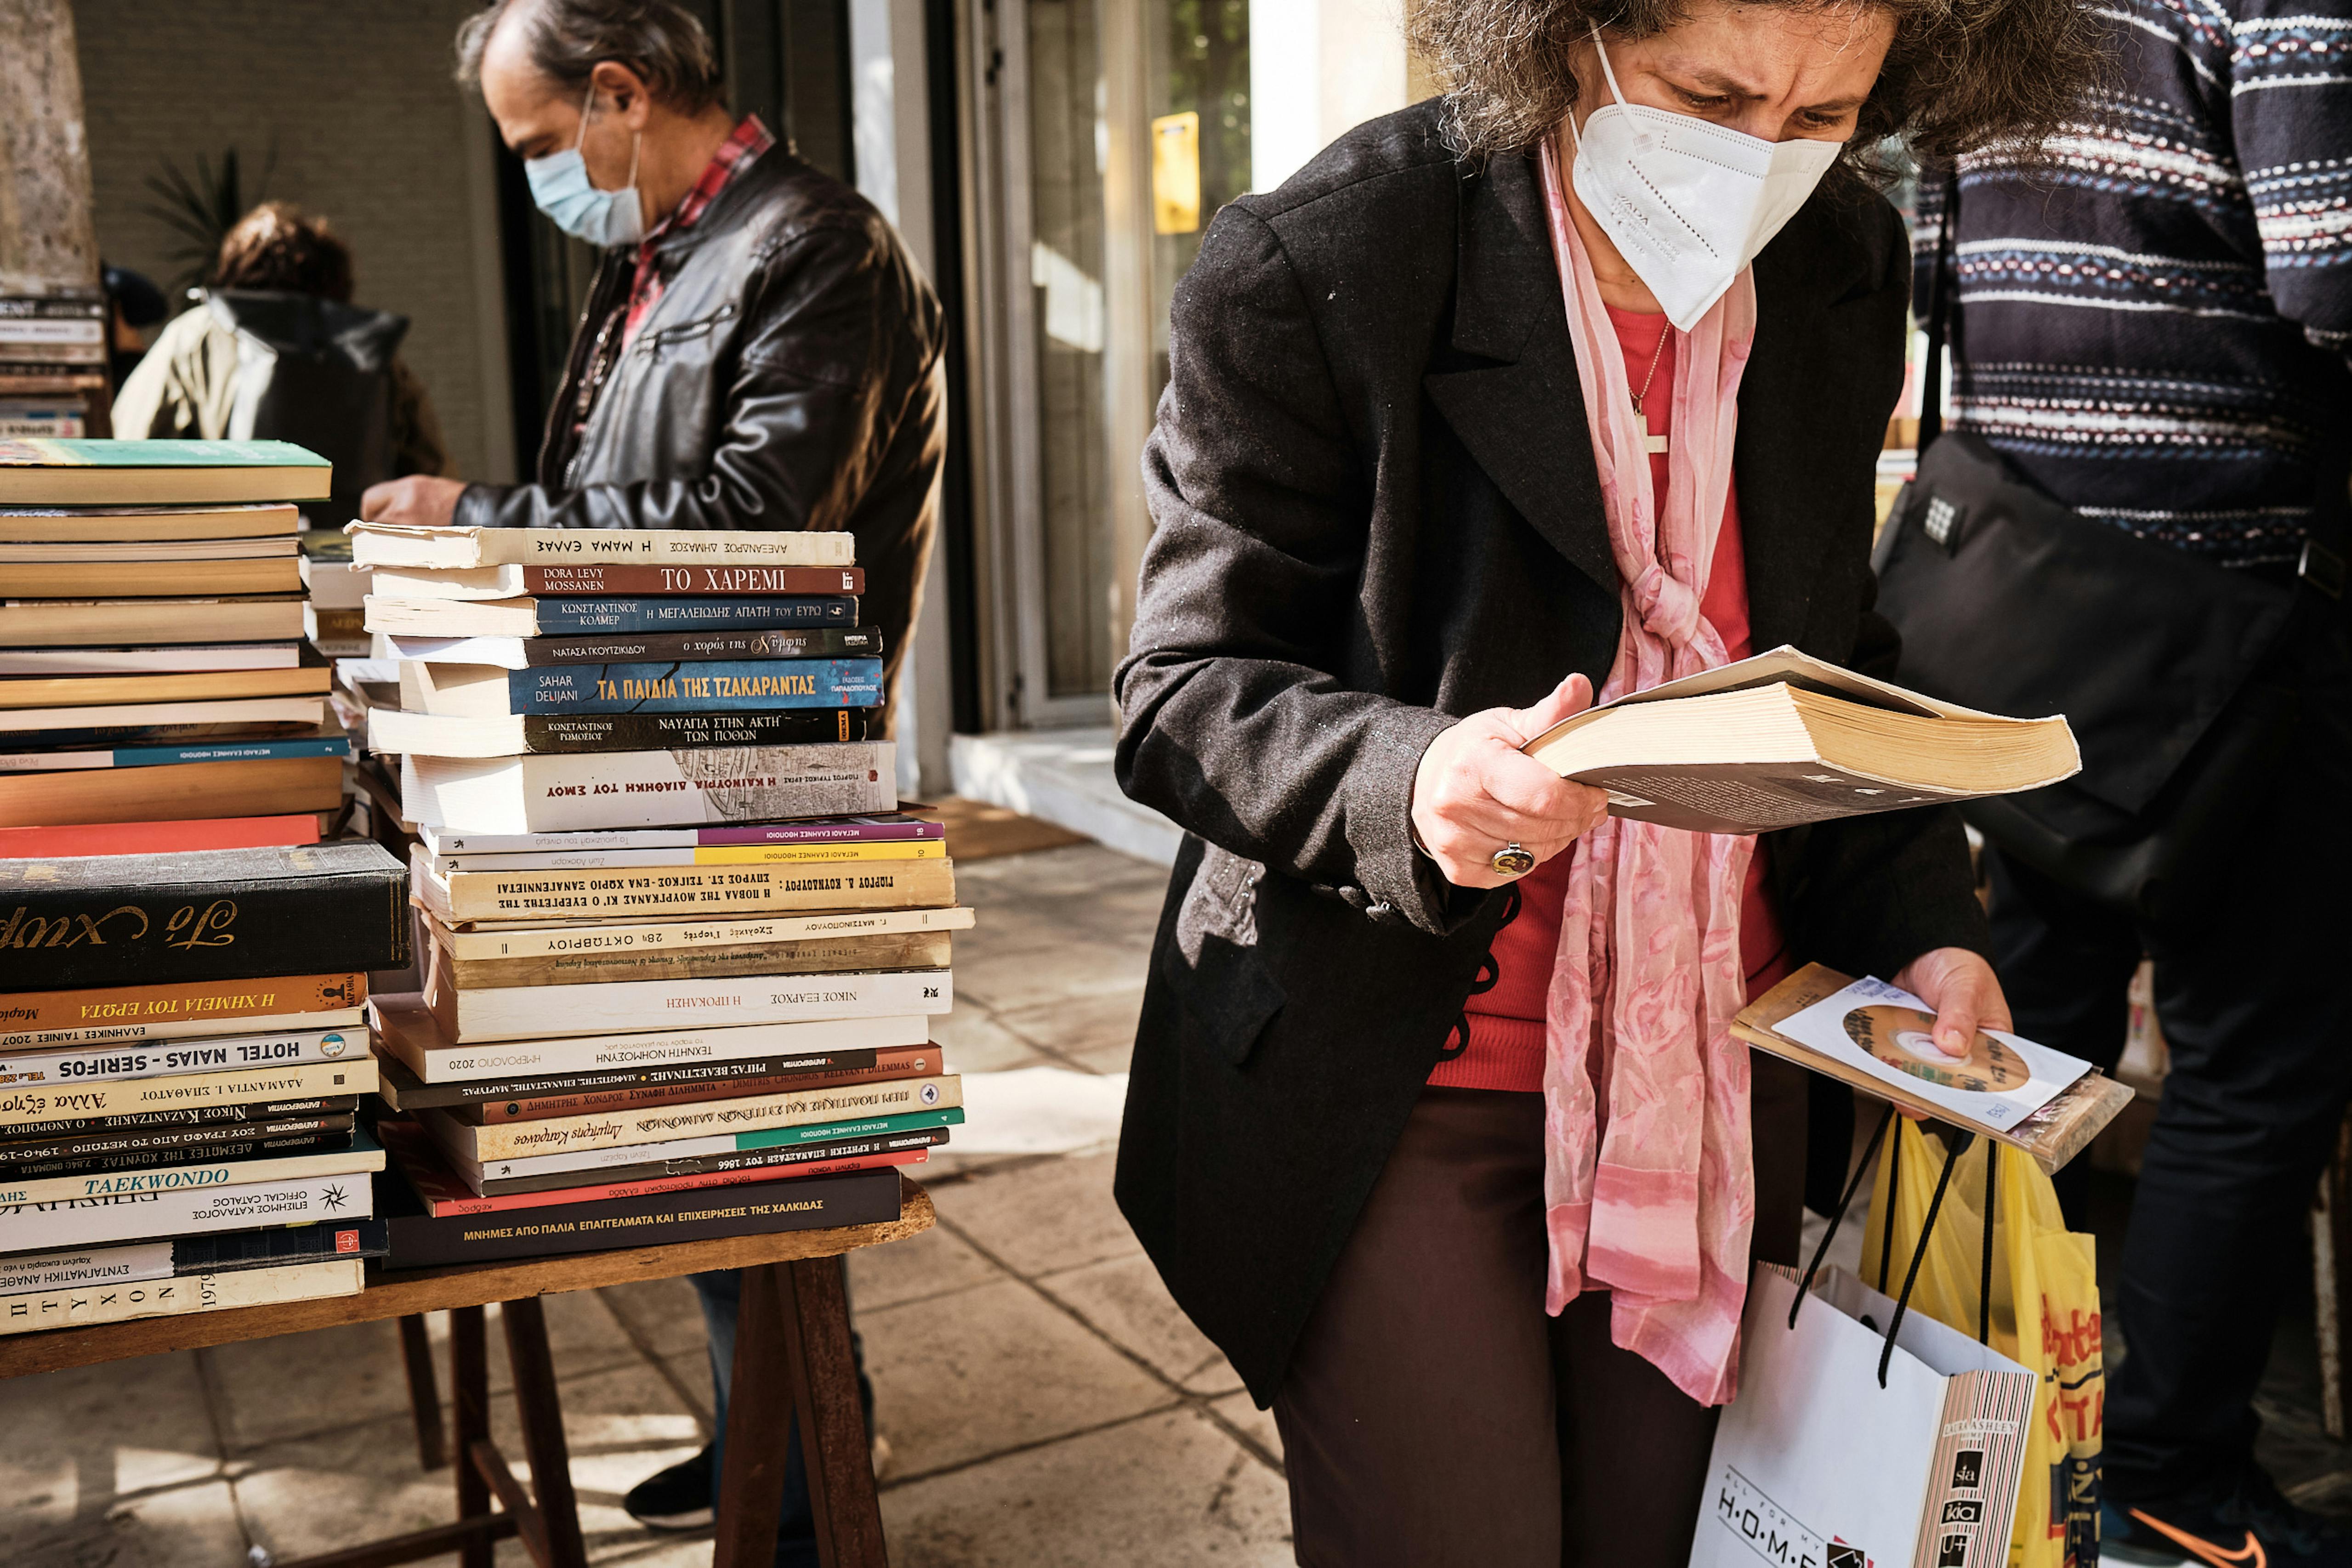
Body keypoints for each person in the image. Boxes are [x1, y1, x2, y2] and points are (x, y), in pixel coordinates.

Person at [1109, 0, 2092, 1557]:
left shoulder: (1834, 261)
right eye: (1707, 94)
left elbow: (1833, 639)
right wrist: (1415, 776)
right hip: (1399, 1076)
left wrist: (1926, 925)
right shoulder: (1324, 258)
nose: (1757, 160)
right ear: (1559, 34)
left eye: (1823, 115)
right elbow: (1182, 689)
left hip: (1722, 1070)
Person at [385, 0, 947, 1557]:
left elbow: (750, 521)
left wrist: (467, 509)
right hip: (649, 753)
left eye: (539, 144)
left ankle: (805, 1482)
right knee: (695, 1142)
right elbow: (604, 501)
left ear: (620, 95)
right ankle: (754, 1434)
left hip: (758, 762)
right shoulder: (657, 264)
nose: (539, 179)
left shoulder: (809, 246)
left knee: (761, 1147)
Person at [1889, 0, 2352, 1554]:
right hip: (2228, 634)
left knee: (2028, 1040)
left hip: (2021, 610)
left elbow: (1924, 277)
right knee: (2254, 1057)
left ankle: (1985, 1434)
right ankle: (2158, 1473)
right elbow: (2333, 279)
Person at [114, 202, 450, 516]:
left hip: (235, 556)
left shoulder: (197, 334)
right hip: (357, 554)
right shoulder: (366, 345)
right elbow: (431, 469)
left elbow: (128, 454)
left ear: (234, 272)